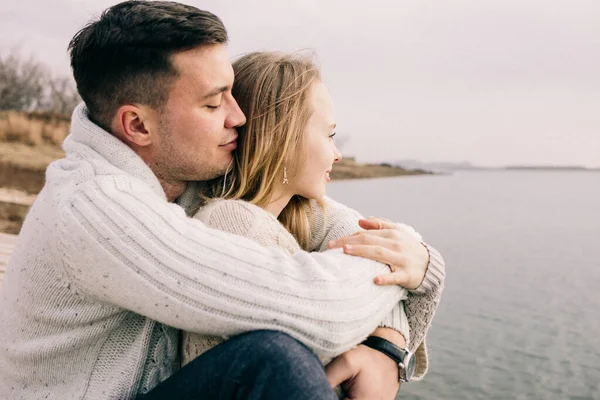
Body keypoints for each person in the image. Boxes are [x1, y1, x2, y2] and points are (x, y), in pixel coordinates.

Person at [0, 2, 445, 399]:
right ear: (137, 126)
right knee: (270, 361)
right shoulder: (95, 211)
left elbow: (360, 233)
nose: (239, 116)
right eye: (213, 106)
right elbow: (315, 308)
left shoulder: (187, 173)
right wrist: (399, 268)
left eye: (232, 92)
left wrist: (391, 334)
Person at [182, 52, 442, 392]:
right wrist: (418, 274)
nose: (338, 154)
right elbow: (330, 324)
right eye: (329, 135)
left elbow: (379, 236)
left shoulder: (299, 214)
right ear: (282, 138)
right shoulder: (232, 223)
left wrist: (418, 264)